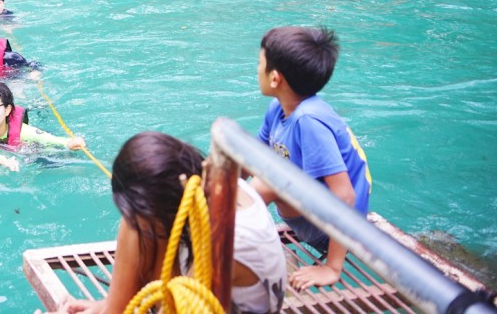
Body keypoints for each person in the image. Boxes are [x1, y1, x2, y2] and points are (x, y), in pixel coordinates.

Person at [46, 132, 285, 314]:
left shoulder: (222, 244)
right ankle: (112, 305)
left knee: (135, 221)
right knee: (134, 219)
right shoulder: (210, 188)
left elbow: (191, 302)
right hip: (202, 288)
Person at [251, 26, 372, 290]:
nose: (256, 69)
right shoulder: (279, 109)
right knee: (254, 172)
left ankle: (226, 250)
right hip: (316, 214)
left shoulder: (309, 121)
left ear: (275, 78)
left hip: (338, 232)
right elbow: (251, 159)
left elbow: (345, 196)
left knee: (267, 182)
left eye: (259, 63)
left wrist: (332, 267)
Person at [0, 81, 84, 172]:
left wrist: (69, 143)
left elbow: (51, 139)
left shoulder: (22, 130)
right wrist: (1, 160)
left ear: (8, 110)